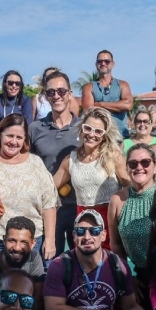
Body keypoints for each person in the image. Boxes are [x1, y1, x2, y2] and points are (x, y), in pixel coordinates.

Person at [0, 114, 58, 259]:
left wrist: (50, 240)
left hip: (33, 242)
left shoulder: (36, 163)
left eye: (19, 138)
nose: (13, 142)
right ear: (0, 135)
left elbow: (49, 204)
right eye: (9, 136)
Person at [53, 107, 127, 250]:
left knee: (109, 266)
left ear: (105, 135)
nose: (92, 134)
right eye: (88, 128)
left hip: (109, 221)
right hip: (83, 223)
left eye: (98, 131)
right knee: (84, 265)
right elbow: (50, 187)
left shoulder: (113, 155)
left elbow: (130, 186)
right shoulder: (71, 159)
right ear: (81, 128)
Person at [29, 70, 81, 257]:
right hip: (48, 209)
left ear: (69, 94)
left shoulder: (84, 128)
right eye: (51, 92)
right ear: (45, 97)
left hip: (79, 205)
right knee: (51, 265)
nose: (56, 96)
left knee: (82, 267)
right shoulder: (35, 129)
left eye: (61, 91)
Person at [108, 143, 156, 309]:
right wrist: (128, 277)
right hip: (138, 277)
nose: (139, 167)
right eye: (133, 163)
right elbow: (116, 245)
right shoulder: (117, 200)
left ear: (155, 166)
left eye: (145, 162)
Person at [82, 50, 133, 139]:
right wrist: (117, 106)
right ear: (96, 64)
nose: (103, 63)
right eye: (100, 61)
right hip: (98, 138)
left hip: (120, 137)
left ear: (112, 64)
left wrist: (99, 104)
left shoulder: (123, 85)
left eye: (107, 61)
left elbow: (128, 105)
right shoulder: (89, 87)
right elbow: (89, 111)